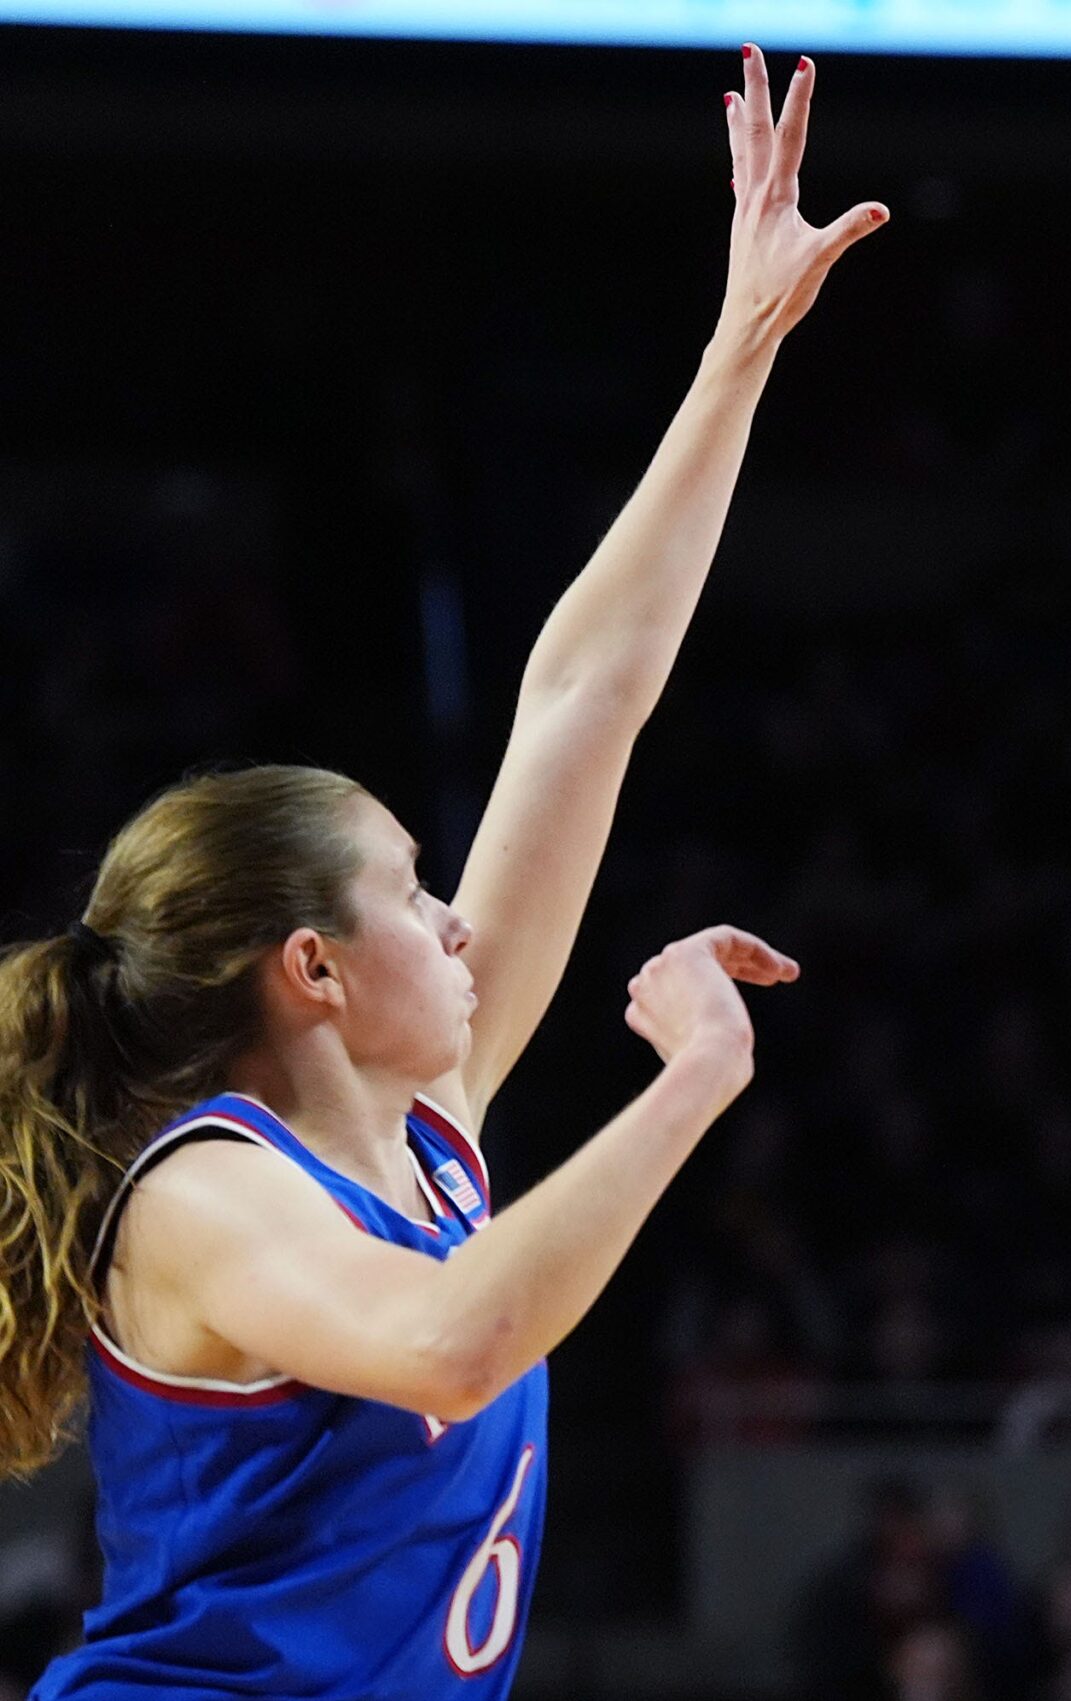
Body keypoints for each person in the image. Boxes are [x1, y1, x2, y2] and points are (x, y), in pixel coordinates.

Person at [0, 45, 885, 1698]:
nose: (457, 911)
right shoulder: (204, 1195)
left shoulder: (433, 1148)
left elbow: (582, 698)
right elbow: (453, 1343)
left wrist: (735, 357)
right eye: (409, 890)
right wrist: (698, 1072)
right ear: (311, 968)